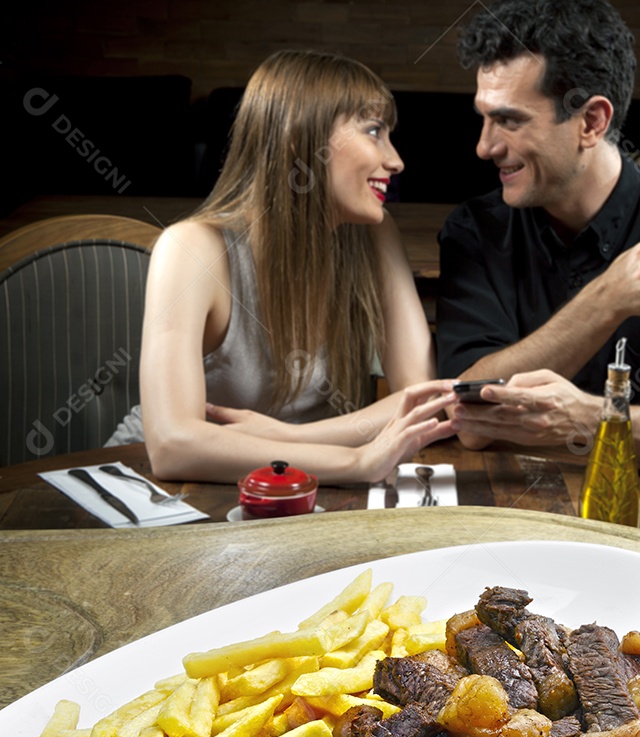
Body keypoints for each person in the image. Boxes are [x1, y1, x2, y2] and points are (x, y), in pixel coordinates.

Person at [436, 0, 640, 469]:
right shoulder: (474, 231)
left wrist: (593, 418)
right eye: (484, 117)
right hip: (511, 509)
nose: (485, 146)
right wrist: (608, 298)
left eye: (510, 121)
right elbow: (467, 416)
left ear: (591, 121)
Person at [108, 51, 457, 483]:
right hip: (167, 489)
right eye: (373, 132)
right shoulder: (191, 248)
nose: (396, 160)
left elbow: (420, 403)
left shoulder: (374, 234)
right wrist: (356, 462)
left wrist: (294, 439)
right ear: (301, 142)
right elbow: (173, 446)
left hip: (298, 487)